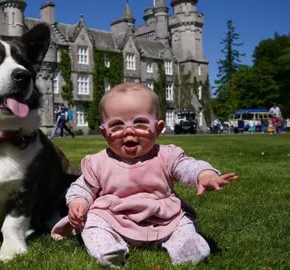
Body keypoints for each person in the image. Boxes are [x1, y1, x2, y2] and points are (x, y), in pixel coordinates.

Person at [51, 83, 238, 267]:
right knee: (92, 220)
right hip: (115, 217)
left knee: (184, 223)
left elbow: (187, 166)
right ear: (104, 132)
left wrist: (203, 174)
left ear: (158, 128)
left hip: (164, 217)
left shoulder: (166, 156)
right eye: (117, 125)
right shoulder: (98, 162)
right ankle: (108, 249)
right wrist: (79, 202)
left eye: (140, 123)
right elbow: (82, 186)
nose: (129, 131)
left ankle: (187, 249)